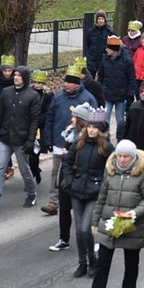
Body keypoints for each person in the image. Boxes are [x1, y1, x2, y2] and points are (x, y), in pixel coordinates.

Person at [82, 139, 144, 288]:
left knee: (131, 264)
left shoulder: (143, 174)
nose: (122, 160)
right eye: (120, 156)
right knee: (102, 264)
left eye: (126, 156)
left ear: (133, 157)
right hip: (110, 223)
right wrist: (95, 221)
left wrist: (134, 213)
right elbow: (102, 198)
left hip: (131, 226)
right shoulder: (110, 172)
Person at [61, 108, 114, 278]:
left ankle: (93, 259)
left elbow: (111, 170)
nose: (91, 130)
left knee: (86, 228)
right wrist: (70, 181)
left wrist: (102, 187)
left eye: (95, 127)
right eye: (89, 126)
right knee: (78, 230)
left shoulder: (106, 147)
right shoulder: (79, 143)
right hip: (77, 190)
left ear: (101, 129)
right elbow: (68, 163)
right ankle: (82, 263)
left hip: (94, 192)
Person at [40, 67, 97, 216]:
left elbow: (97, 122)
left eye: (69, 82)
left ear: (77, 84)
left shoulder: (89, 99)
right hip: (61, 142)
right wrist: (48, 139)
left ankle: (77, 200)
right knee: (56, 172)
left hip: (81, 145)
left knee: (77, 172)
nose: (65, 85)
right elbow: (50, 117)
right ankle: (53, 202)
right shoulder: (58, 97)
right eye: (65, 82)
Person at [0, 66, 41, 212]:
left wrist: (31, 139)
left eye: (19, 76)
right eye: (15, 75)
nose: (16, 77)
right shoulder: (6, 92)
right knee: (0, 169)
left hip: (21, 139)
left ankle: (31, 193)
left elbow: (35, 120)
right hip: (5, 137)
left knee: (24, 170)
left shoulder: (32, 96)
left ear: (25, 78)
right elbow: (0, 115)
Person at [49, 104, 91, 253]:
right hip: (66, 175)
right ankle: (64, 239)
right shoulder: (69, 133)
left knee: (81, 212)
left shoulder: (87, 138)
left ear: (82, 120)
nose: (71, 119)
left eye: (75, 117)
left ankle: (86, 240)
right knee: (64, 208)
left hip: (79, 177)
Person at [97, 35, 136, 141]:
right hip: (107, 94)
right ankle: (105, 140)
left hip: (121, 96)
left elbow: (131, 78)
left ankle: (120, 139)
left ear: (114, 50)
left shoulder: (126, 61)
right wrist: (100, 88)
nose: (106, 50)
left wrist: (130, 94)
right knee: (105, 119)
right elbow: (100, 75)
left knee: (120, 121)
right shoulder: (105, 59)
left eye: (108, 48)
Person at [85, 10, 115, 78]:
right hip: (92, 58)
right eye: (99, 19)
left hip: (104, 57)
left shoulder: (109, 32)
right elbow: (88, 43)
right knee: (90, 77)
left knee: (102, 78)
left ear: (105, 20)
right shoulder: (91, 31)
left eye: (102, 19)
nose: (100, 21)